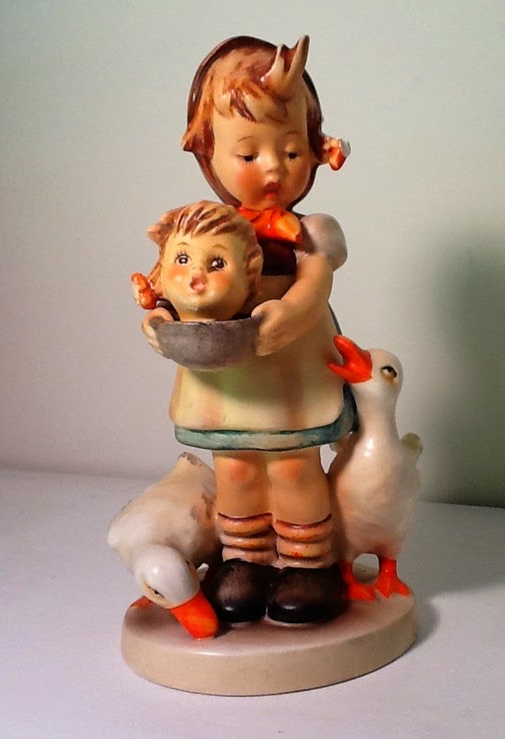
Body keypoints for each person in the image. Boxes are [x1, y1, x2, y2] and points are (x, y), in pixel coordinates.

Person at [142, 35, 354, 625]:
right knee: (233, 464)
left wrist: (291, 312)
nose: (273, 168)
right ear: (207, 153)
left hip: (289, 369)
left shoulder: (311, 230)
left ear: (316, 148)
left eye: (291, 150)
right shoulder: (206, 230)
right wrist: (159, 320)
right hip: (225, 373)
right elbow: (172, 282)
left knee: (293, 464)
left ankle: (307, 563)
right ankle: (244, 559)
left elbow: (315, 282)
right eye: (248, 152)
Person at [132, 200, 263, 322]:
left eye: (218, 264)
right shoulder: (160, 321)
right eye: (182, 260)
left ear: (251, 273)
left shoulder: (259, 326)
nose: (197, 272)